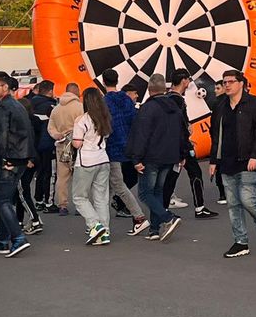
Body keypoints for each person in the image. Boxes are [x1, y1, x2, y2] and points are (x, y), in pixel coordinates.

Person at [208, 69, 256, 259]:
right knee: (233, 204)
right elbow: (216, 135)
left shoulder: (254, 103)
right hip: (226, 161)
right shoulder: (220, 105)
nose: (226, 85)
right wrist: (214, 160)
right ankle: (241, 242)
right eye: (224, 82)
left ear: (241, 83)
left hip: (249, 161)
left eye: (230, 81)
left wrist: (255, 155)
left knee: (248, 200)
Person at [126, 74, 184, 242]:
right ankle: (154, 229)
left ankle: (168, 218)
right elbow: (182, 133)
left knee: (145, 194)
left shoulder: (147, 108)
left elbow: (141, 135)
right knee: (158, 191)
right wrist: (182, 154)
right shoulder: (174, 107)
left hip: (151, 157)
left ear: (149, 90)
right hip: (170, 156)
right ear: (165, 89)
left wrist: (136, 159)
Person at [0, 72, 35, 258]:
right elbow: (26, 133)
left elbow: (1, 136)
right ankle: (2, 241)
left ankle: (17, 237)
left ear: (5, 87)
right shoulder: (18, 105)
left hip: (8, 160)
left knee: (2, 200)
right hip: (20, 159)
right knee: (6, 198)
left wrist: (0, 159)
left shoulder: (2, 107)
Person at [165, 69, 217, 219]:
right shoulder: (178, 100)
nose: (189, 83)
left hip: (174, 144)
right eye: (188, 80)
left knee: (172, 176)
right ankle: (199, 207)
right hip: (181, 145)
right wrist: (186, 139)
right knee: (194, 173)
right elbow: (180, 125)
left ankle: (164, 208)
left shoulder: (168, 97)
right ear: (183, 81)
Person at [101, 70, 147, 236]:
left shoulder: (104, 102)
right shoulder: (126, 100)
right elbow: (135, 121)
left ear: (103, 82)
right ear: (117, 80)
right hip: (128, 147)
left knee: (112, 186)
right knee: (114, 186)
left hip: (110, 148)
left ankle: (137, 217)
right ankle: (102, 222)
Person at [70, 87, 114, 246]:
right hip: (103, 159)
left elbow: (77, 143)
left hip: (86, 161)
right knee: (101, 197)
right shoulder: (105, 118)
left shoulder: (82, 120)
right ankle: (105, 230)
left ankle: (95, 225)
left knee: (79, 197)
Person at [47, 83, 83, 216]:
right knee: (79, 176)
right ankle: (80, 205)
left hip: (61, 145)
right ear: (76, 91)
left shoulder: (56, 109)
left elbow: (50, 127)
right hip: (77, 145)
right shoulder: (80, 107)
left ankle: (62, 205)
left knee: (62, 177)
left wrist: (58, 135)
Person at [27, 81, 58, 212]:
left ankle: (38, 199)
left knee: (39, 172)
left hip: (34, 145)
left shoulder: (30, 104)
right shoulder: (51, 106)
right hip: (48, 144)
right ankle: (48, 202)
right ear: (50, 91)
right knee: (50, 173)